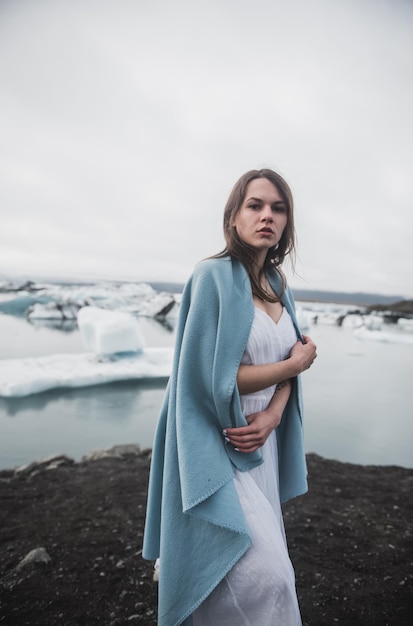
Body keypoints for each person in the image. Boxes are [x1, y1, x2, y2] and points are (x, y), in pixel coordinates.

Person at [143, 168, 317, 626]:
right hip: (219, 439)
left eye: (278, 209)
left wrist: (276, 413)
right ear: (233, 216)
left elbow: (288, 366)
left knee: (243, 571)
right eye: (255, 205)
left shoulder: (280, 286)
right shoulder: (212, 276)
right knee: (264, 576)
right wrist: (293, 366)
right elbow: (206, 377)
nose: (267, 216)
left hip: (262, 440)